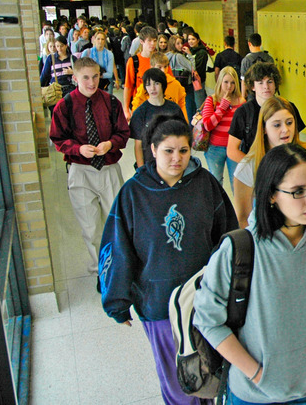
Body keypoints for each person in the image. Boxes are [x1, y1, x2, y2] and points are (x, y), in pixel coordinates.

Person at [193, 143, 306, 405]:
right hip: (252, 394)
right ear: (272, 195)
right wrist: (256, 373)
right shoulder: (239, 247)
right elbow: (208, 320)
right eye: (298, 192)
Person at [100, 116, 237, 405]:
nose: (177, 158)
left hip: (203, 300)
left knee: (208, 373)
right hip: (158, 304)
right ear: (152, 149)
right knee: (178, 382)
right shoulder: (134, 193)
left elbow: (227, 236)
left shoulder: (206, 184)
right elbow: (117, 247)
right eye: (168, 151)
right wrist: (117, 301)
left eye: (184, 151)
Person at [48, 57, 130, 277]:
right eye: (85, 77)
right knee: (90, 226)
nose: (91, 82)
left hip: (109, 169)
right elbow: (57, 138)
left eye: (95, 76)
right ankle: (100, 269)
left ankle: (121, 266)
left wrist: (110, 143)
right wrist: (77, 149)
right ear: (75, 78)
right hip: (80, 171)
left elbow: (123, 133)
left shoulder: (111, 102)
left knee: (116, 220)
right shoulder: (64, 106)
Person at [232, 96, 306, 229]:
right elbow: (243, 218)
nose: (285, 130)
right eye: (277, 125)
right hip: (268, 239)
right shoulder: (247, 167)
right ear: (264, 128)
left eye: (289, 122)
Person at [227, 62, 306, 164]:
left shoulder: (288, 108)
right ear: (252, 86)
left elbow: (295, 140)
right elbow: (232, 150)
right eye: (260, 83)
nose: (266, 87)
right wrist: (256, 167)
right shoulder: (243, 113)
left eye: (270, 82)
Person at [130, 68, 186, 168]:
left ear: (163, 84)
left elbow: (183, 138)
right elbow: (138, 145)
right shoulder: (140, 112)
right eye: (148, 85)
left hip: (173, 163)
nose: (152, 88)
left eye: (156, 83)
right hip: (150, 165)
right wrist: (141, 170)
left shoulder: (174, 109)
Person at [201, 66, 245, 186]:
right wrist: (222, 107)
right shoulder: (212, 100)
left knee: (236, 182)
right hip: (215, 148)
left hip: (235, 148)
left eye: (232, 83)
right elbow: (208, 125)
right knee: (216, 182)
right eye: (226, 82)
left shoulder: (241, 102)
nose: (229, 86)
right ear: (220, 81)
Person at [130, 51, 187, 121]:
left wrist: (184, 124)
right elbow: (137, 107)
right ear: (152, 67)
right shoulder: (145, 87)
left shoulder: (175, 84)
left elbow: (182, 106)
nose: (163, 70)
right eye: (159, 67)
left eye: (165, 66)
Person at [124, 26, 160, 120]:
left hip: (158, 106)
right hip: (139, 106)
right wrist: (126, 109)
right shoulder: (133, 61)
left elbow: (169, 82)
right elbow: (128, 87)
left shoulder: (160, 60)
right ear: (141, 41)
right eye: (149, 40)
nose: (152, 44)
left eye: (155, 40)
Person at [166, 35, 196, 115]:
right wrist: (189, 55)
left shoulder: (168, 55)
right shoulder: (179, 56)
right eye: (178, 43)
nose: (181, 45)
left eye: (181, 43)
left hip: (174, 84)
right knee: (189, 108)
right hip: (186, 84)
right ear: (173, 45)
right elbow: (193, 68)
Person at [185, 31, 209, 110]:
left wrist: (189, 55)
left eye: (193, 39)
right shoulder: (190, 51)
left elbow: (198, 69)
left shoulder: (202, 53)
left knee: (199, 105)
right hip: (189, 82)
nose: (190, 41)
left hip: (198, 82)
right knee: (191, 105)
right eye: (189, 39)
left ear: (198, 40)